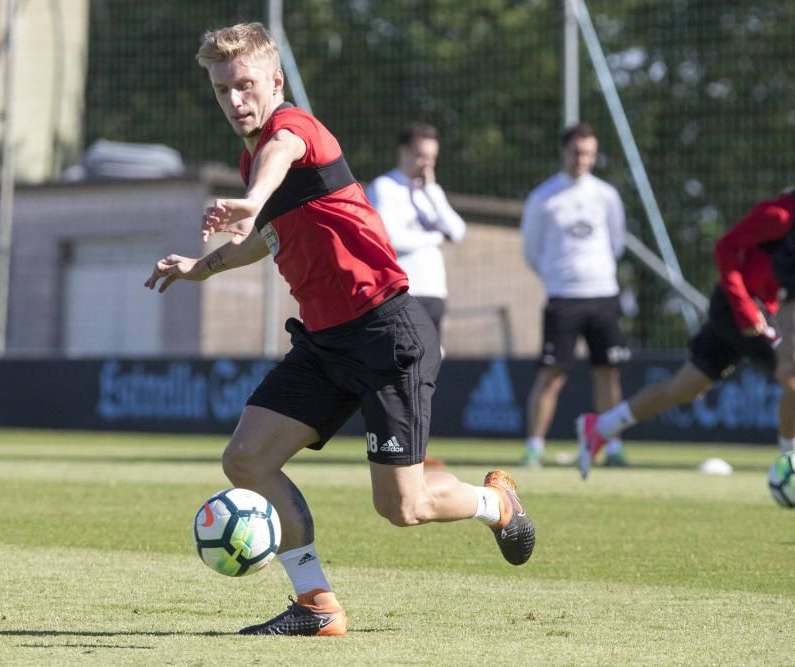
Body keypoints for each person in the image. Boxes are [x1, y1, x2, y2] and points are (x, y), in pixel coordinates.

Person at [143, 22, 535, 637]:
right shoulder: (253, 160)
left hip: (386, 334)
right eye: (223, 90)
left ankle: (497, 504)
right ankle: (316, 605)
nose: (235, 99)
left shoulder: (294, 132)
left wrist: (252, 196)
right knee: (246, 459)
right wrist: (203, 266)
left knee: (403, 507)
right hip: (325, 342)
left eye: (245, 84)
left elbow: (279, 161)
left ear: (276, 80)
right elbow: (263, 238)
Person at [577, 189, 795, 479]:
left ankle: (600, 427)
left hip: (763, 312)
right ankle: (789, 463)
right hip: (737, 307)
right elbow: (725, 247)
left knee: (685, 387)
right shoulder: (779, 216)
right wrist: (744, 308)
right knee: (792, 376)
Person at [520, 121, 630, 468]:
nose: (582, 159)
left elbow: (616, 242)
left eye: (589, 154)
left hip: (603, 295)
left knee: (608, 371)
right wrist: (558, 278)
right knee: (551, 375)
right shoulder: (543, 198)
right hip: (563, 298)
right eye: (576, 152)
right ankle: (534, 447)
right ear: (563, 152)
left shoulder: (607, 196)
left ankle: (612, 447)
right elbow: (531, 250)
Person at [366, 122, 467, 468]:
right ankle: (402, 444)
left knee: (427, 371)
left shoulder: (431, 193)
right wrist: (434, 238)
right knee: (403, 370)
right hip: (405, 289)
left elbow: (458, 230)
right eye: (421, 156)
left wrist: (434, 192)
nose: (426, 164)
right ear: (405, 152)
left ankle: (418, 447)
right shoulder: (384, 187)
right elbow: (390, 238)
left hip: (435, 292)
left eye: (432, 158)